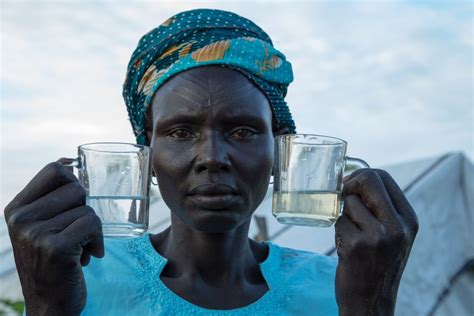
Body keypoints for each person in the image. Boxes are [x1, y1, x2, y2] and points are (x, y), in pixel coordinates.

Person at [4, 8, 418, 316]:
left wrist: (371, 306)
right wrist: (47, 308)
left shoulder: (343, 287)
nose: (212, 158)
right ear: (145, 155)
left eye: (243, 131)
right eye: (181, 132)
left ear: (280, 151)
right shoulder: (77, 282)